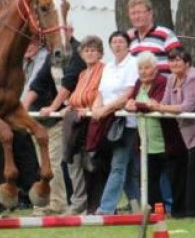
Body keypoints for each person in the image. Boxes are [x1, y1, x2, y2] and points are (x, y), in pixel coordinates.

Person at [150, 47, 195, 220]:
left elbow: (187, 107)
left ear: (187, 63)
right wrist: (156, 105)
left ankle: (193, 210)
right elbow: (165, 102)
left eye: (178, 60)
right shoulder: (171, 78)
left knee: (194, 168)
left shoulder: (194, 78)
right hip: (187, 130)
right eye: (171, 60)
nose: (174, 63)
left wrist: (161, 107)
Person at [28, 32, 87, 214]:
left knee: (54, 161)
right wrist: (23, 108)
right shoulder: (54, 53)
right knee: (45, 161)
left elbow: (68, 84)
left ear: (70, 31)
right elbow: (39, 82)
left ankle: (57, 203)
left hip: (66, 116)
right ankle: (54, 201)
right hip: (50, 117)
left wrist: (53, 107)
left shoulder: (77, 53)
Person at [125, 52, 184, 212]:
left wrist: (136, 105)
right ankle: (158, 210)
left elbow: (156, 103)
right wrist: (132, 103)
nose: (143, 71)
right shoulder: (139, 83)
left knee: (172, 177)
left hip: (166, 139)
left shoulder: (162, 81)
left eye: (147, 67)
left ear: (155, 68)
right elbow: (133, 102)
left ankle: (178, 210)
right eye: (140, 68)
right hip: (146, 140)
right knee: (150, 179)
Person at [94, 31, 140, 215]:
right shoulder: (108, 67)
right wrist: (96, 108)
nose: (117, 45)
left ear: (128, 45)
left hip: (125, 122)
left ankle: (105, 208)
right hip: (108, 122)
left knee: (118, 165)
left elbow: (129, 93)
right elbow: (100, 92)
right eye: (114, 42)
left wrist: (105, 109)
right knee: (127, 169)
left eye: (121, 41)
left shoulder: (133, 63)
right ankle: (137, 207)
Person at [61, 35, 105, 214]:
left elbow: (100, 95)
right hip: (76, 123)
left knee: (91, 164)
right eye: (86, 50)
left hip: (92, 122)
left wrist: (85, 107)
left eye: (93, 50)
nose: (90, 53)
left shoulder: (104, 70)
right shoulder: (82, 74)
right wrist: (70, 106)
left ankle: (92, 203)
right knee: (72, 161)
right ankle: (78, 200)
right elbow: (75, 97)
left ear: (100, 53)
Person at [126, 0, 181, 74]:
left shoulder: (166, 35)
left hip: (162, 85)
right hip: (138, 86)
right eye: (133, 14)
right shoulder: (130, 38)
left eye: (139, 12)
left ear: (150, 13)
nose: (136, 17)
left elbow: (180, 63)